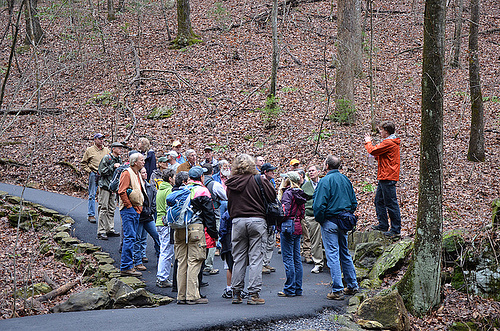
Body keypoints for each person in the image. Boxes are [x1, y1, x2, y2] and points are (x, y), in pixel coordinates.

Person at [226, 154, 276, 305]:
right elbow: (272, 196)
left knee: (238, 258)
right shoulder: (259, 179)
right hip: (257, 221)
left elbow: (229, 203)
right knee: (256, 258)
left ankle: (236, 293)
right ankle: (253, 294)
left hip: (237, 221)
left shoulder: (230, 183)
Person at [313, 155, 358, 300]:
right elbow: (353, 202)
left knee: (332, 254)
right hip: (343, 221)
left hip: (330, 221)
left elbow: (319, 205)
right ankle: (352, 285)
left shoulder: (325, 181)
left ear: (327, 166)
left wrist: (321, 220)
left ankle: (337, 289)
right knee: (344, 253)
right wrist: (347, 215)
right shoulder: (345, 179)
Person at [174, 166, 218, 305]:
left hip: (179, 229)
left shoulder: (181, 189)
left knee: (182, 262)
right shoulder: (202, 191)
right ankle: (192, 296)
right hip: (195, 230)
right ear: (201, 177)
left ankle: (181, 295)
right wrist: (213, 234)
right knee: (194, 261)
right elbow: (209, 215)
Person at [364, 121, 402, 238]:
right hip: (384, 175)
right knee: (379, 201)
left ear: (386, 131)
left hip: (388, 176)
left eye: (381, 130)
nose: (380, 132)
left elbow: (373, 150)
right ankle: (383, 225)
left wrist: (368, 141)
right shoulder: (389, 142)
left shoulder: (389, 142)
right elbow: (383, 156)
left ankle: (395, 229)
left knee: (391, 203)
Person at [278, 171, 307, 297]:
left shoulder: (288, 193)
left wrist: (278, 221)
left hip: (288, 227)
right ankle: (297, 288)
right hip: (297, 226)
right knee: (296, 259)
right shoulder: (300, 193)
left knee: (288, 258)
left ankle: (289, 288)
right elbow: (302, 212)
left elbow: (284, 212)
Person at [118, 152, 145, 277]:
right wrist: (129, 206)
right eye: (141, 160)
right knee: (129, 237)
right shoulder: (127, 173)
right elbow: (121, 191)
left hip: (136, 209)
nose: (143, 162)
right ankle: (126, 266)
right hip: (129, 210)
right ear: (135, 162)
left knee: (132, 237)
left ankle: (129, 265)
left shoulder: (137, 173)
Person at [133, 167, 160, 271]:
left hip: (148, 217)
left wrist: (150, 211)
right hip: (139, 217)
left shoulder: (150, 187)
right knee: (137, 239)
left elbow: (154, 200)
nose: (145, 174)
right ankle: (138, 261)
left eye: (145, 172)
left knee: (156, 236)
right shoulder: (136, 187)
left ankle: (160, 259)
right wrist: (143, 211)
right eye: (143, 172)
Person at [203, 163, 227, 275]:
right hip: (213, 214)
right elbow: (225, 197)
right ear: (212, 172)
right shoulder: (215, 184)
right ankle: (208, 265)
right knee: (212, 238)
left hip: (200, 215)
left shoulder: (198, 184)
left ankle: (201, 263)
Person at [96, 141, 123, 240]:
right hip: (105, 186)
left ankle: (109, 229)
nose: (120, 150)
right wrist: (113, 166)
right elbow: (101, 171)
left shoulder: (119, 159)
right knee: (103, 208)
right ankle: (101, 231)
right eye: (119, 148)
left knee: (112, 208)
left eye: (121, 148)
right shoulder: (107, 158)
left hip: (113, 187)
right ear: (113, 148)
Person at [81, 133, 110, 223]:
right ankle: (91, 214)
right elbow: (83, 163)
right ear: (95, 140)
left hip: (104, 175)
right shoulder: (90, 150)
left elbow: (110, 161)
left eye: (102, 139)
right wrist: (89, 171)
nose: (101, 140)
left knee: (103, 195)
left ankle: (103, 215)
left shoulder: (106, 150)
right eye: (99, 139)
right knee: (92, 194)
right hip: (94, 173)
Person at [302, 165, 324, 273]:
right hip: (311, 215)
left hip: (325, 214)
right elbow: (303, 200)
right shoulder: (306, 186)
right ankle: (318, 263)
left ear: (318, 172)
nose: (311, 173)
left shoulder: (324, 183)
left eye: (313, 171)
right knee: (315, 240)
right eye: (309, 171)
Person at [155, 168, 176, 287]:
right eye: (174, 177)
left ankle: (162, 276)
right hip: (165, 223)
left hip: (159, 222)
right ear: (170, 178)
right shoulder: (169, 190)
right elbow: (170, 208)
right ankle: (162, 277)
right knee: (166, 251)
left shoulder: (160, 189)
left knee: (164, 249)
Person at [260, 163, 277, 274]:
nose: (273, 173)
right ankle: (261, 264)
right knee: (263, 240)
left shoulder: (271, 182)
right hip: (263, 214)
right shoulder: (260, 183)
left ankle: (266, 262)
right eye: (271, 171)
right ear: (265, 172)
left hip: (271, 214)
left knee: (271, 239)